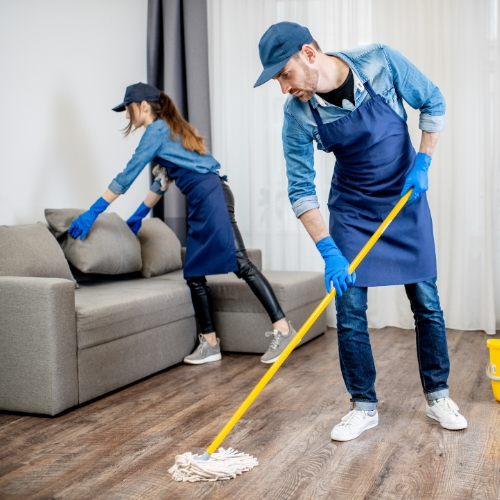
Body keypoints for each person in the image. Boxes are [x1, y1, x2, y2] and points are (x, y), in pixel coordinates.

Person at [254, 22, 467, 440]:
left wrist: (423, 162)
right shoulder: (298, 113)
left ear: (308, 54)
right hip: (352, 209)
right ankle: (363, 405)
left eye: (284, 74)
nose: (283, 88)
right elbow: (301, 189)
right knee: (350, 309)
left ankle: (438, 395)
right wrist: (329, 249)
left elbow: (433, 100)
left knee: (426, 300)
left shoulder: (380, 62)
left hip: (405, 199)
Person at [68, 82, 296, 365]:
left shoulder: (157, 130)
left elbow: (127, 176)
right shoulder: (169, 131)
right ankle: (210, 343)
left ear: (142, 106)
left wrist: (93, 211)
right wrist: (138, 216)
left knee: (240, 262)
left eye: (128, 110)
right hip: (205, 199)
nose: (127, 116)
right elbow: (161, 182)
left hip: (210, 196)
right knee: (193, 273)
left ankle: (283, 329)